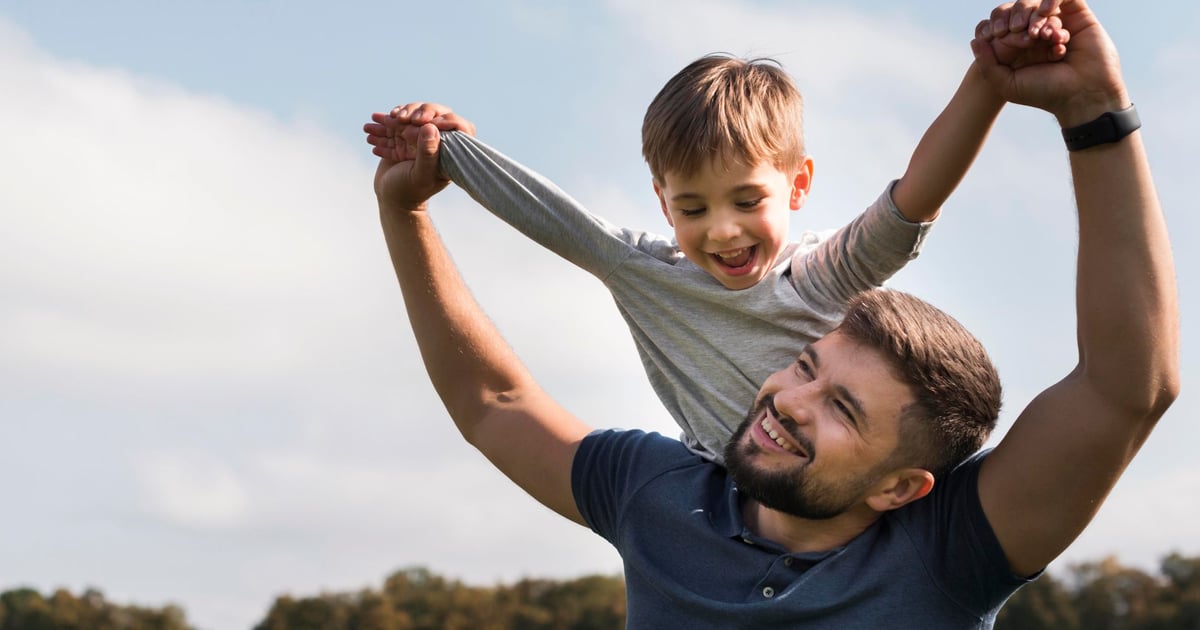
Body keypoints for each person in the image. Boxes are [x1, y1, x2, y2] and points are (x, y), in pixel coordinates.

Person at [373, 0, 1179, 626]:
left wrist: (1095, 113)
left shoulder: (951, 551)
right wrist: (405, 213)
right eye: (804, 365)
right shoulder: (656, 497)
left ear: (902, 486)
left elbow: (1126, 389)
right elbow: (493, 402)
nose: (790, 400)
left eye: (843, 409)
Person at [363, 9, 1069, 464]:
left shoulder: (821, 276)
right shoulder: (644, 271)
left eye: (747, 200)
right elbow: (548, 213)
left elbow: (916, 196)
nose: (722, 229)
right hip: (723, 498)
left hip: (852, 500)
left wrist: (989, 78)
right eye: (693, 207)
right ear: (662, 203)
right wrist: (446, 149)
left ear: (797, 185)